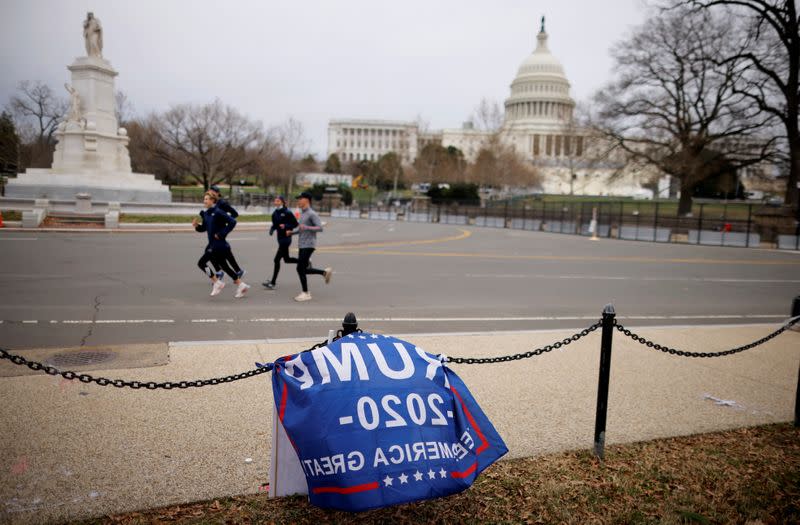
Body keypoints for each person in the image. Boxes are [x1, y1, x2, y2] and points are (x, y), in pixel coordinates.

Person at [193, 191, 250, 298]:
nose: (204, 201)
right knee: (224, 266)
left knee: (201, 263)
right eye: (204, 199)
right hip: (214, 245)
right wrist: (196, 226)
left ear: (213, 200)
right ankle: (241, 285)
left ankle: (217, 282)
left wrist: (222, 233)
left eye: (207, 199)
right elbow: (204, 228)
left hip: (218, 244)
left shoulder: (218, 212)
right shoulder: (206, 214)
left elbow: (233, 221)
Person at [288, 192, 332, 302]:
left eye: (300, 199)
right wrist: (291, 233)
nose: (298, 201)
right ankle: (324, 273)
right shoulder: (302, 214)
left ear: (306, 200)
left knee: (300, 268)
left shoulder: (312, 214)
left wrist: (307, 227)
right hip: (302, 244)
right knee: (303, 269)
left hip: (309, 245)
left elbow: (320, 228)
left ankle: (306, 293)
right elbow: (301, 228)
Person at [208, 185, 245, 279]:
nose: (210, 194)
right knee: (225, 253)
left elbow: (235, 214)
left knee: (209, 252)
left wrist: (225, 220)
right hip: (214, 231)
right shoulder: (212, 203)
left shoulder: (222, 203)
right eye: (210, 192)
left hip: (220, 232)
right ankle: (238, 271)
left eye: (213, 192)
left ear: (217, 193)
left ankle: (220, 272)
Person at [262, 195, 298, 290]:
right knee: (287, 260)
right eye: (275, 201)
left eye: (277, 201)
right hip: (280, 238)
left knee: (276, 260)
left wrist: (286, 225)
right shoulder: (274, 214)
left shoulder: (288, 212)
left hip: (286, 239)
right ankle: (304, 261)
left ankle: (273, 283)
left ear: (282, 202)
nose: (276, 202)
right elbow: (274, 225)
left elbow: (295, 224)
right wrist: (272, 229)